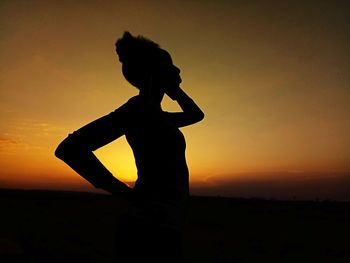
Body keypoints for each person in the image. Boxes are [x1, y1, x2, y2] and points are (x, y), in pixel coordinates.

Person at [55, 31, 204, 262]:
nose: (178, 70)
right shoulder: (138, 111)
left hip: (166, 224)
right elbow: (69, 148)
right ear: (153, 72)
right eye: (170, 65)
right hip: (148, 228)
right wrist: (124, 192)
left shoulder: (157, 115)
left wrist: (174, 91)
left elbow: (196, 115)